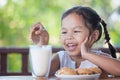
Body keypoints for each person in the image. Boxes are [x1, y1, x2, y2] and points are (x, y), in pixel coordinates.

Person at [30, 6, 120, 78]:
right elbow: (41, 73)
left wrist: (87, 54)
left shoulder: (99, 59)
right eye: (64, 32)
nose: (69, 37)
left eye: (76, 31)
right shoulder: (61, 58)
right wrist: (42, 44)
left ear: (94, 36)